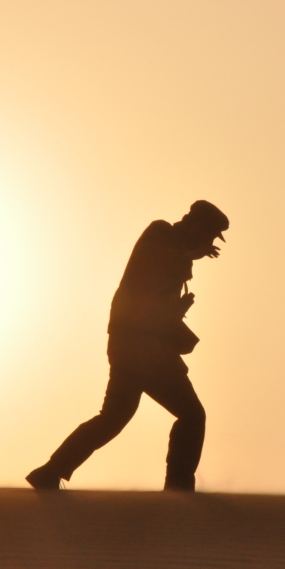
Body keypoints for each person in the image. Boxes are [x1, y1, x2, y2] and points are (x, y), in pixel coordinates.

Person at [26, 200, 229, 491]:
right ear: (196, 225)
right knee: (192, 416)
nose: (209, 242)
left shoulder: (180, 255)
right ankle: (179, 489)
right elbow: (150, 262)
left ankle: (49, 472)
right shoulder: (160, 233)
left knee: (113, 418)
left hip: (136, 347)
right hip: (142, 349)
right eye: (209, 234)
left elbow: (152, 303)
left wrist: (178, 309)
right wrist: (189, 255)